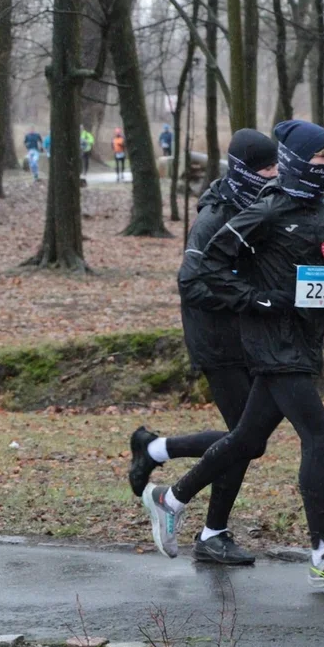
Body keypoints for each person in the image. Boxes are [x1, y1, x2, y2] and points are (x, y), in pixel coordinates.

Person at [140, 120, 324, 589]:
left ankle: (171, 498)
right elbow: (204, 267)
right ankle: (323, 553)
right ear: (295, 163)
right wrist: (257, 299)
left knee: (247, 439)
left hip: (305, 341)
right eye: (320, 158)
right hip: (270, 344)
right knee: (320, 438)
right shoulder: (265, 210)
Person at [129, 129, 278, 565]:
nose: (272, 175)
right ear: (243, 170)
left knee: (247, 438)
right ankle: (198, 520)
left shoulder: (257, 207)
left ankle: (156, 452)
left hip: (250, 337)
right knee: (245, 439)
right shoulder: (214, 218)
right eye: (264, 169)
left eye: (275, 167)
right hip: (217, 339)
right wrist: (248, 297)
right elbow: (191, 282)